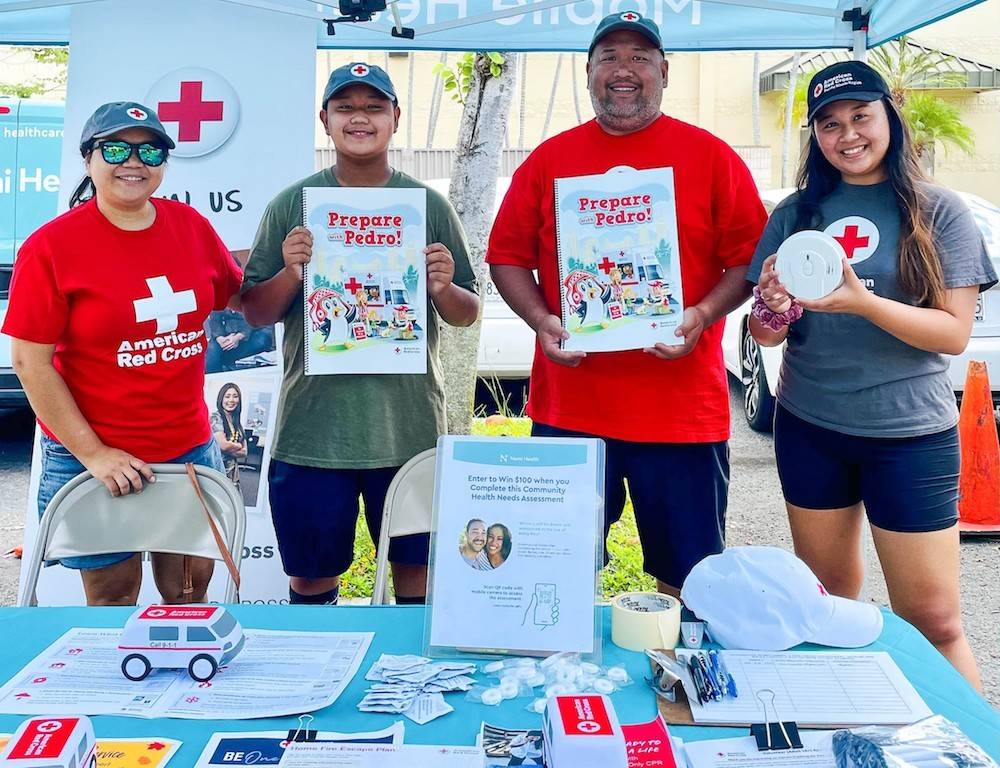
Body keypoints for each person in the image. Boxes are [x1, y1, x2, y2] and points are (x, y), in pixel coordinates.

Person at [486, 12, 767, 595]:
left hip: (682, 412)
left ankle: (677, 683)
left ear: (664, 71)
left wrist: (702, 315)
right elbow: (507, 257)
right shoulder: (549, 159)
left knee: (688, 582)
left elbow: (748, 262)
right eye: (609, 56)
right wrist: (542, 321)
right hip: (571, 410)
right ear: (588, 72)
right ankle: (565, 680)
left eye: (640, 57)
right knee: (554, 572)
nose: (624, 70)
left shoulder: (712, 157)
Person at [748, 61, 993, 688]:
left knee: (933, 619)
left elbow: (953, 332)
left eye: (861, 116)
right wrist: (772, 311)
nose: (847, 134)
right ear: (816, 137)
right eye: (829, 124)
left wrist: (861, 300)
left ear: (890, 117)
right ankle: (852, 730)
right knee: (830, 604)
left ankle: (970, 747)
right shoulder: (797, 211)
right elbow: (767, 332)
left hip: (910, 434)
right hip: (812, 427)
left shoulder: (938, 211)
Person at [241, 63, 479, 606]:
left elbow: (467, 312)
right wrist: (291, 273)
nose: (359, 118)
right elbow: (254, 312)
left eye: (373, 107)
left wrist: (441, 287)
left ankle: (411, 681)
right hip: (314, 431)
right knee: (310, 580)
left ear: (395, 118)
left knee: (415, 578)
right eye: (345, 108)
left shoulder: (427, 206)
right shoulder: (293, 205)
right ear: (324, 120)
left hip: (409, 428)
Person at [3, 101, 242, 606]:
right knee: (112, 598)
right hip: (94, 454)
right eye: (116, 148)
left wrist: (296, 264)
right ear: (89, 159)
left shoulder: (190, 227)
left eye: (150, 150)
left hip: (187, 449)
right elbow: (30, 361)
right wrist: (94, 454)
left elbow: (240, 294)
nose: (133, 161)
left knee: (189, 594)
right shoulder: (51, 247)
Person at [204, 308, 275, 373]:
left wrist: (239, 336)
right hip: (227, 334)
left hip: (253, 330)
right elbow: (215, 319)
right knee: (212, 350)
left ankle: (227, 360)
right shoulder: (220, 297)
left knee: (262, 341)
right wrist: (219, 337)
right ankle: (217, 381)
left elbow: (258, 317)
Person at [211, 382, 247, 488]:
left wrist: (229, 448)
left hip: (233, 472)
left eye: (235, 396)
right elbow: (223, 445)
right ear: (221, 399)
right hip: (219, 471)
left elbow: (245, 452)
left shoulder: (236, 420)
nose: (231, 400)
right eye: (227, 396)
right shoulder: (215, 417)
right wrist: (238, 446)